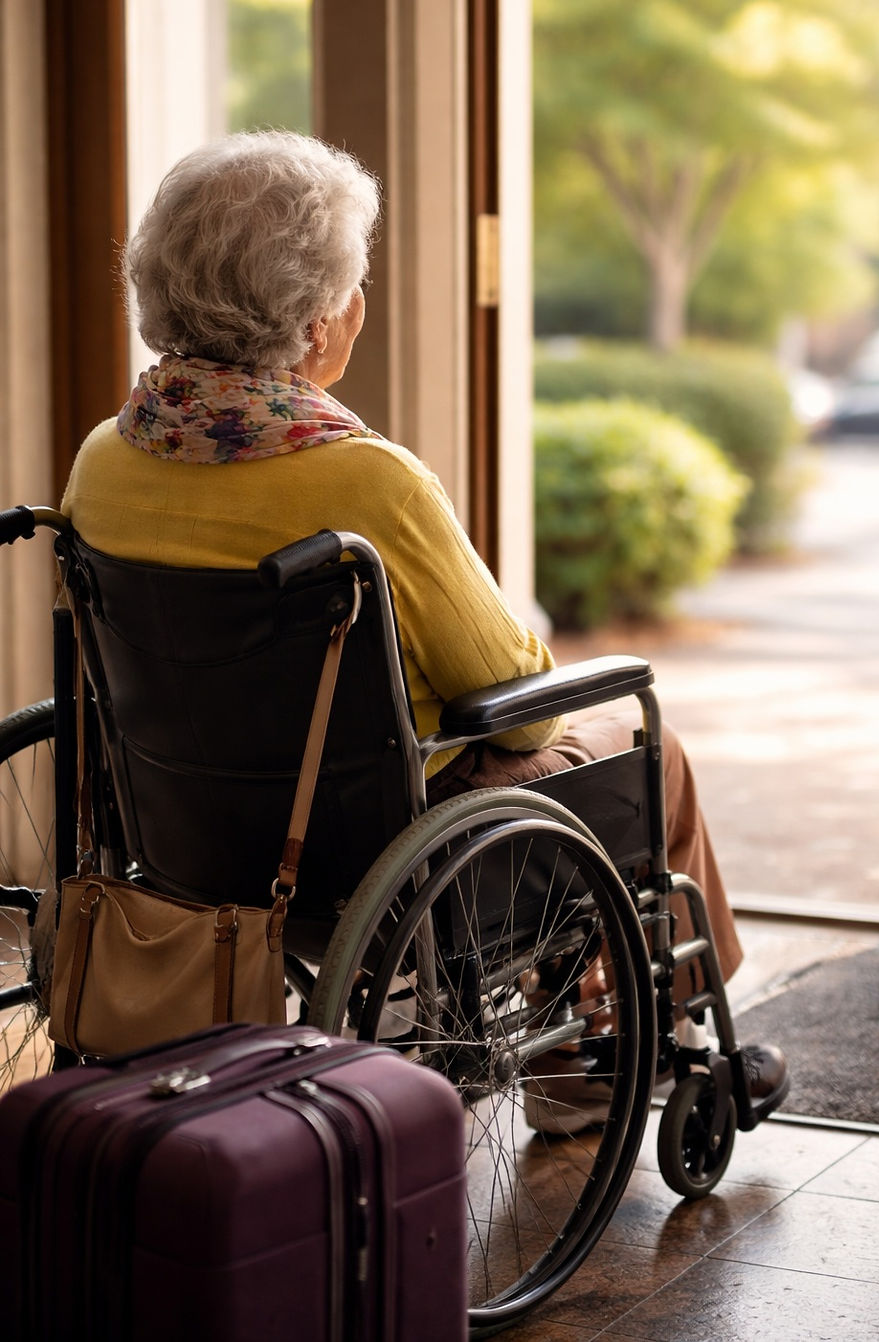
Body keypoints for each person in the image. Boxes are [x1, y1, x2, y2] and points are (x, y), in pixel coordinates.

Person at [62, 130, 786, 1134]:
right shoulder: (366, 482)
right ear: (318, 326)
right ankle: (637, 1044)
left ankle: (584, 1043)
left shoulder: (104, 458)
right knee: (637, 745)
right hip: (374, 851)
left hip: (182, 838)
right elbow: (518, 709)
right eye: (354, 284)